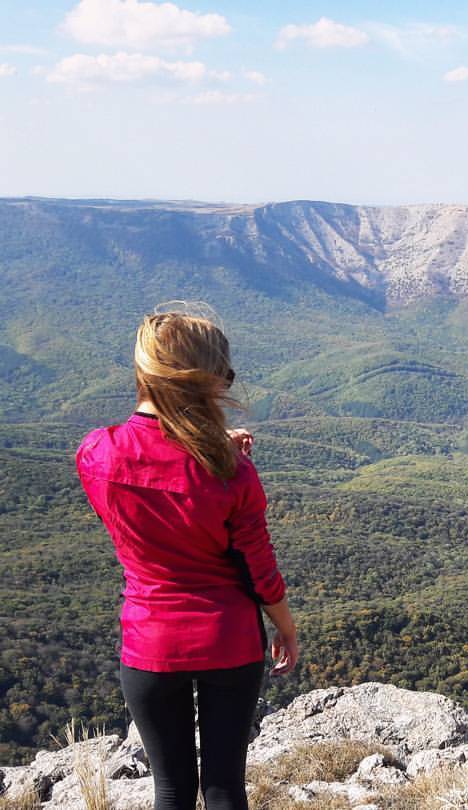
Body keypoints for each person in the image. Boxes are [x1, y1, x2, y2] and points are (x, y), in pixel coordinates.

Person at [75, 307, 298, 810]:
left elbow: (156, 461)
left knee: (171, 790)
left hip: (149, 641)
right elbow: (260, 570)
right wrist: (285, 627)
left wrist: (209, 445)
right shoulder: (234, 476)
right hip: (230, 639)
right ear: (207, 383)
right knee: (223, 788)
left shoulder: (98, 455)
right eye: (226, 375)